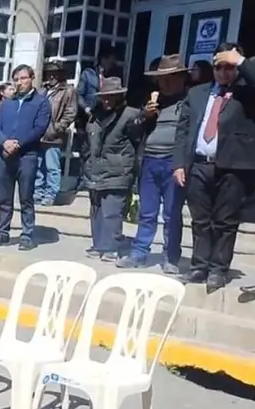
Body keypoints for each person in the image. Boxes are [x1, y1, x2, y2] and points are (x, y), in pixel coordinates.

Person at [173, 42, 255, 292]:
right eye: (219, 67)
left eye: (229, 67)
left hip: (233, 168)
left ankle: (218, 269)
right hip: (199, 165)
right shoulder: (197, 93)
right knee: (200, 220)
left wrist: (241, 61)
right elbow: (183, 130)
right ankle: (199, 266)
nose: (223, 73)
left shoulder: (247, 92)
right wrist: (179, 164)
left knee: (225, 222)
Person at [117, 55, 190, 273]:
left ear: (180, 78)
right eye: (161, 79)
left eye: (170, 78)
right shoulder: (152, 102)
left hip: (173, 162)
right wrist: (145, 116)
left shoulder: (189, 102)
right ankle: (139, 253)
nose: (165, 83)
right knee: (147, 212)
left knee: (171, 213)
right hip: (149, 159)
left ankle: (171, 257)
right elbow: (133, 132)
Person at [0, 65, 52, 251]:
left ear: (32, 78)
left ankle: (27, 235)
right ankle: (2, 232)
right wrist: (5, 142)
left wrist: (18, 144)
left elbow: (39, 128)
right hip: (5, 155)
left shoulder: (41, 102)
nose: (19, 83)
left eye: (23, 78)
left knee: (26, 197)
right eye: (16, 79)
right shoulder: (7, 103)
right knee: (4, 197)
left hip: (27, 156)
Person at [82, 77, 144, 262]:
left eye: (111, 97)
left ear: (119, 97)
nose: (107, 101)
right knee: (96, 210)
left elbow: (137, 141)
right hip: (95, 168)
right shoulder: (95, 114)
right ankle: (98, 244)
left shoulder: (131, 115)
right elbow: (89, 140)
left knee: (112, 210)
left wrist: (131, 169)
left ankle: (111, 247)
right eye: (104, 97)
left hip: (118, 170)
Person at [37, 60, 78, 206]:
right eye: (49, 73)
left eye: (55, 73)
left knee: (52, 166)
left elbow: (70, 112)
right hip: (38, 134)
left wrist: (58, 128)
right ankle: (37, 192)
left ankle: (50, 194)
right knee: (38, 166)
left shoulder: (68, 90)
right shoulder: (42, 90)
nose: (52, 76)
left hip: (53, 135)